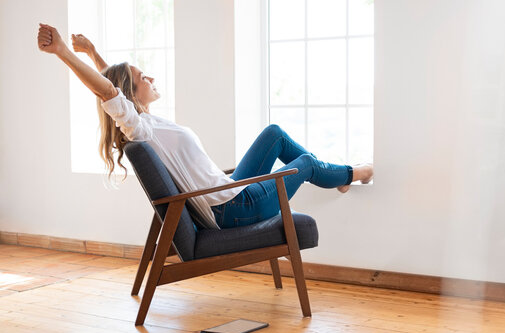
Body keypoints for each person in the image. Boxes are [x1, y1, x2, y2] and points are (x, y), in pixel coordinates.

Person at [37, 23, 373, 229]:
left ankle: (338, 179)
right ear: (131, 92)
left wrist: (94, 51)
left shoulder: (145, 121)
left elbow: (115, 82)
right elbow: (109, 90)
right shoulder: (141, 129)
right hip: (235, 208)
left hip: (230, 191)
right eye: (143, 77)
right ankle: (352, 174)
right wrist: (63, 52)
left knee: (273, 134)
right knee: (309, 164)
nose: (150, 77)